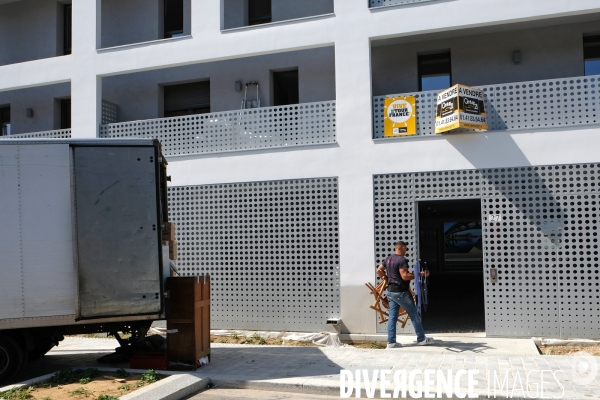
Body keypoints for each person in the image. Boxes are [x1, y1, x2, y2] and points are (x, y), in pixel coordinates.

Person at [376, 240, 434, 349]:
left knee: (392, 317)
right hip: (401, 292)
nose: (406, 251)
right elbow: (405, 276)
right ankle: (421, 339)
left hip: (390, 292)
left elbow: (379, 269)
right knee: (414, 315)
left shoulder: (388, 259)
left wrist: (385, 278)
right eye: (406, 248)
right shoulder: (402, 260)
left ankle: (391, 342)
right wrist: (419, 274)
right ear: (402, 248)